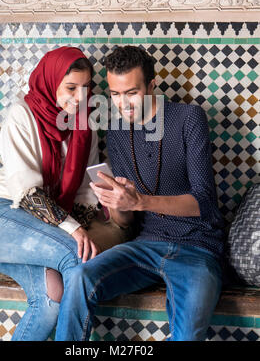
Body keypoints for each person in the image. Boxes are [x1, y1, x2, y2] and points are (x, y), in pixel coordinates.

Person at [54, 45, 226, 342]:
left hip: (198, 249)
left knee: (188, 337)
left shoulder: (188, 118)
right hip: (146, 245)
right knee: (80, 277)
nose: (123, 104)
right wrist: (115, 200)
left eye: (131, 93)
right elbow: (127, 219)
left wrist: (140, 200)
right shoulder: (117, 130)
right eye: (115, 95)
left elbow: (204, 202)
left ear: (152, 86)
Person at [0, 46, 130, 341]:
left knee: (49, 300)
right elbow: (27, 193)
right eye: (71, 87)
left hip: (41, 229)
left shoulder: (85, 127)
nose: (80, 97)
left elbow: (83, 193)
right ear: (50, 81)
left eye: (86, 87)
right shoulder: (22, 115)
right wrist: (74, 229)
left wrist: (97, 212)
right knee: (76, 253)